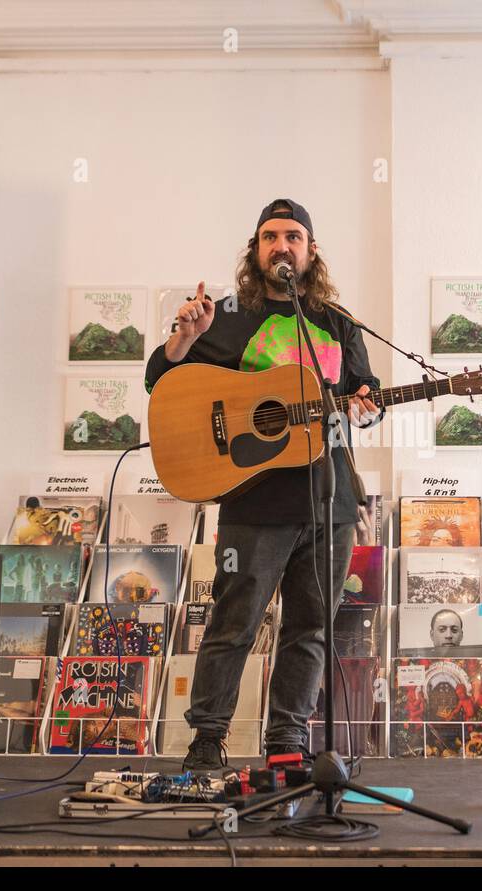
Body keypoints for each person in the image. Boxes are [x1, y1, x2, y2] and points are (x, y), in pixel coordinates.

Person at [145, 199, 382, 770]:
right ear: (256, 248)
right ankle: (207, 739)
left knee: (311, 629)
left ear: (311, 250)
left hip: (330, 501)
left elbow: (367, 399)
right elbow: (161, 380)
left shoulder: (338, 323)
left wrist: (366, 407)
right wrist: (183, 337)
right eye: (271, 236)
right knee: (234, 623)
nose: (282, 246)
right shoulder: (224, 316)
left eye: (294, 236)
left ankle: (287, 746)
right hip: (252, 502)